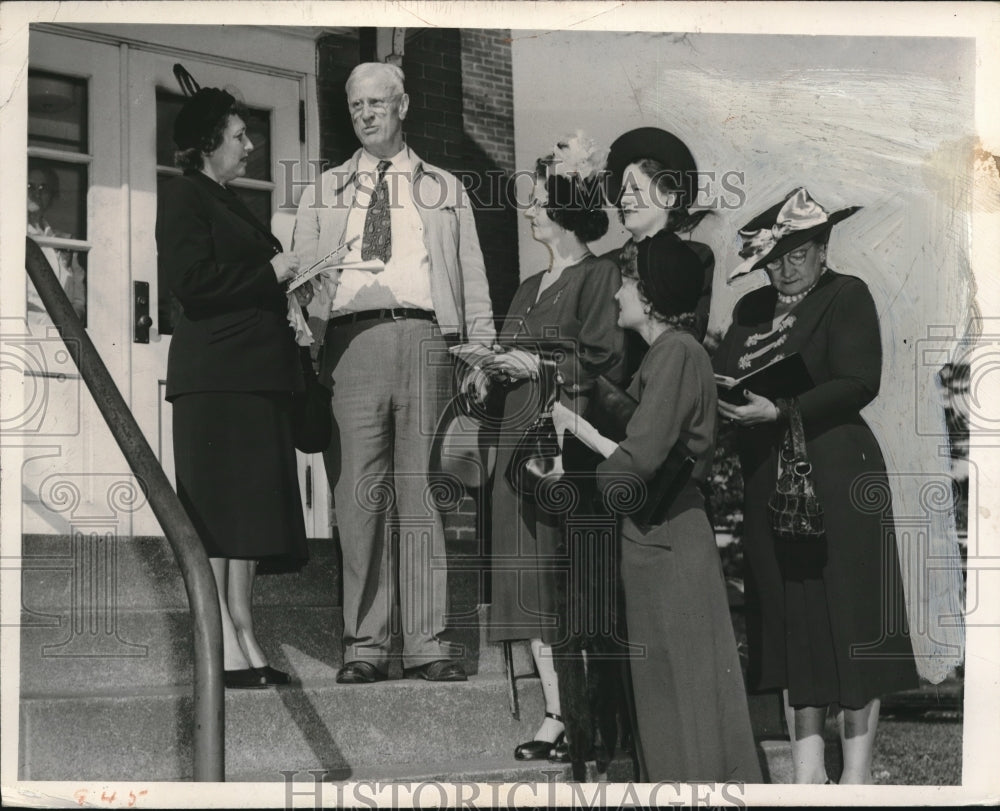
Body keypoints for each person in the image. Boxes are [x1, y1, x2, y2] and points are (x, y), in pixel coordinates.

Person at [292, 62, 495, 684]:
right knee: (358, 498)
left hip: (428, 339)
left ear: (402, 105)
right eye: (356, 106)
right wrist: (305, 343)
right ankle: (365, 645)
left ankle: (429, 642)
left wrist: (480, 351)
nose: (366, 114)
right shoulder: (322, 190)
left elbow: (473, 275)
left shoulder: (445, 188)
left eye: (377, 103)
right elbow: (298, 283)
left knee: (421, 496)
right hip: (351, 346)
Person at [714, 188, 917, 783]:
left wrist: (779, 409)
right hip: (766, 479)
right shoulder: (751, 310)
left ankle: (854, 777)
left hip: (837, 474)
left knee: (850, 619)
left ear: (823, 249)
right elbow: (729, 371)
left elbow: (859, 379)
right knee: (790, 622)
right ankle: (807, 774)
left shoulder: (846, 295)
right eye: (775, 256)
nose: (784, 265)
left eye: (798, 253)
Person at [550, 226, 761, 783]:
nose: (615, 292)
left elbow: (639, 458)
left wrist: (576, 431)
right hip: (659, 537)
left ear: (648, 296)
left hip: (667, 538)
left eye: (624, 282)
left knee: (681, 695)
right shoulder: (669, 353)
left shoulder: (674, 354)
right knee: (672, 691)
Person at [157, 87, 310, 690]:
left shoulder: (229, 200)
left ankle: (244, 630)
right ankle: (221, 642)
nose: (251, 146)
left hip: (254, 377)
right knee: (220, 514)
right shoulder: (184, 196)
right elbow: (192, 283)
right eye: (240, 136)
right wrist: (269, 273)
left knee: (248, 515)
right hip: (217, 379)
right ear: (207, 144)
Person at [480, 133, 625, 764]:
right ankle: (554, 711)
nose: (531, 211)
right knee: (525, 584)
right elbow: (512, 353)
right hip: (514, 446)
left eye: (540, 201)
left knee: (555, 580)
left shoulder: (600, 275)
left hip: (557, 451)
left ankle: (573, 715)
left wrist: (531, 364)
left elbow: (601, 360)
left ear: (568, 208)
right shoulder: (529, 283)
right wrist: (486, 368)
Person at [603, 127, 714, 381]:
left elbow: (689, 332)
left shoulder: (694, 258)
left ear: (671, 198)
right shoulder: (606, 264)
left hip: (661, 382)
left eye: (637, 191)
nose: (625, 200)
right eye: (623, 192)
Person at [26, 159, 87, 323]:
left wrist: (68, 326)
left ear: (52, 195)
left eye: (43, 188)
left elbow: (78, 300)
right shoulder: (9, 237)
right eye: (29, 186)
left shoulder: (65, 241)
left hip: (60, 336)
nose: (36, 193)